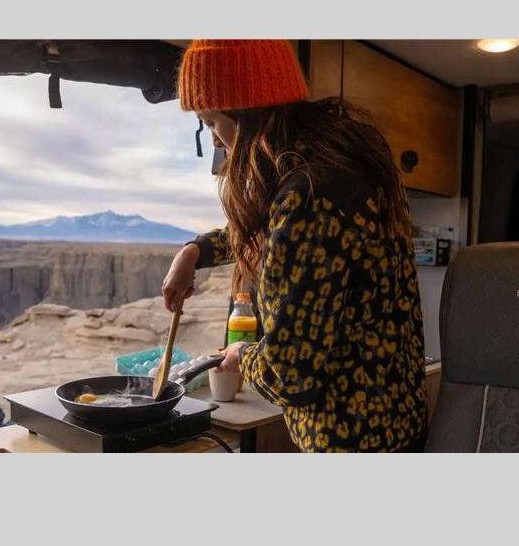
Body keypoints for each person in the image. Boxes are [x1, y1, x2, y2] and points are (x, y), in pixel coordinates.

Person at [162, 40, 427, 452]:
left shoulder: (309, 196)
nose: (214, 141)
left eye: (211, 121)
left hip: (353, 440)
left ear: (247, 112)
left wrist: (241, 352)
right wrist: (195, 251)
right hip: (393, 421)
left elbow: (289, 376)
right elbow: (274, 231)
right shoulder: (333, 165)